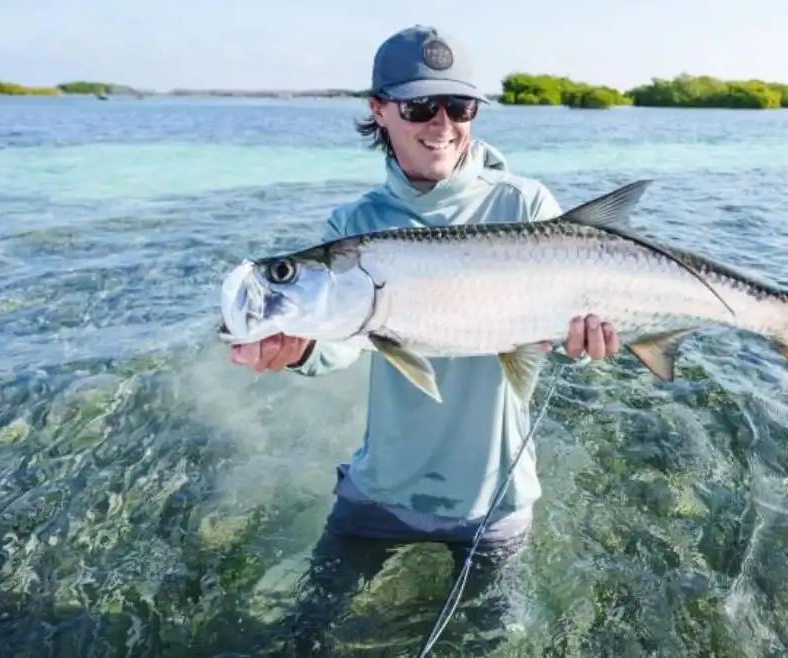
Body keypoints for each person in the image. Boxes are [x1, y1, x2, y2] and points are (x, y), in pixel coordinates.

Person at [228, 25, 619, 654]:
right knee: (302, 635)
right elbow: (343, 339)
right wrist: (297, 349)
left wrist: (584, 341)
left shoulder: (525, 204)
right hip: (379, 489)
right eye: (418, 107)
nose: (442, 124)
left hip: (494, 498)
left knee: (495, 642)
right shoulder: (353, 226)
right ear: (378, 110)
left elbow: (566, 322)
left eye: (459, 106)